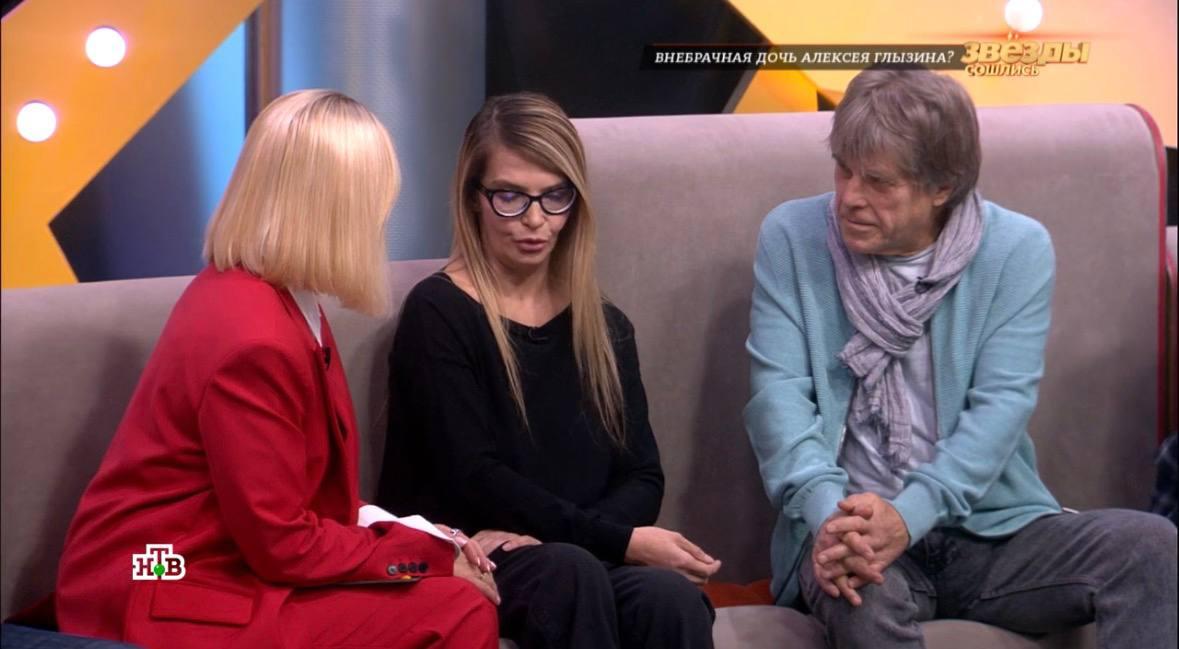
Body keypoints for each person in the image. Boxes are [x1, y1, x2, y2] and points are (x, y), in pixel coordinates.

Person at [744, 67, 1178, 648]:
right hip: (849, 532)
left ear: (942, 187)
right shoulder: (793, 236)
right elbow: (777, 401)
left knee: (1152, 547)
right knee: (858, 595)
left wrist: (910, 516)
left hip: (990, 533)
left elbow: (1001, 409)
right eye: (843, 168)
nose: (850, 197)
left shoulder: (1015, 248)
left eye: (879, 182)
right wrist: (831, 521)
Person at [55, 89, 499, 649]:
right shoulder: (253, 337)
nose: (383, 215)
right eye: (375, 198)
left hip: (216, 555)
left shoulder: (281, 299)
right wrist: (422, 559)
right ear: (335, 207)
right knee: (454, 610)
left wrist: (419, 536)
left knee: (443, 595)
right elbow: (281, 543)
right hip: (160, 571)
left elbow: (291, 504)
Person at [377, 92, 719, 649]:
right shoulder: (438, 312)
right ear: (473, 199)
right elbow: (474, 476)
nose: (535, 220)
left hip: (573, 552)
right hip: (474, 555)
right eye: (510, 196)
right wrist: (615, 540)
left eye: (555, 196)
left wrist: (577, 537)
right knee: (568, 574)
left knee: (669, 598)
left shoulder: (605, 325)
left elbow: (643, 476)